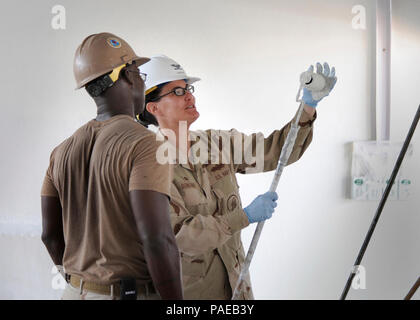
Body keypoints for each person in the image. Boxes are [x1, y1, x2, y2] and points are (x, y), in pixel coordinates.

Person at [138, 55, 337, 299]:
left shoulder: (218, 144)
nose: (190, 95)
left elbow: (277, 151)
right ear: (153, 107)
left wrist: (308, 106)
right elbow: (180, 236)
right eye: (177, 91)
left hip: (237, 289)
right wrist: (244, 217)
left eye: (188, 88)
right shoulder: (151, 165)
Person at [40, 34, 183, 300]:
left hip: (73, 293)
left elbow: (50, 235)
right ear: (128, 75)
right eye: (139, 74)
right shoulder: (146, 144)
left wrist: (80, 284)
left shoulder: (60, 152)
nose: (141, 81)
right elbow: (157, 239)